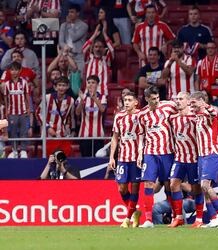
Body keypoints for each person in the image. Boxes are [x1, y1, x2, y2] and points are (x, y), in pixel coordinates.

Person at [137, 86, 177, 228]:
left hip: (167, 152)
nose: (156, 101)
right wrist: (140, 152)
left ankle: (175, 216)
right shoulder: (142, 114)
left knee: (168, 185)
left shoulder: (169, 106)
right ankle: (148, 220)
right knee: (148, 183)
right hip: (150, 153)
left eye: (158, 98)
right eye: (153, 99)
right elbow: (141, 134)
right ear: (147, 99)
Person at [189, 91, 218, 228]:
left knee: (205, 185)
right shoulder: (197, 116)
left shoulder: (209, 114)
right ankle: (214, 218)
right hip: (201, 156)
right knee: (204, 188)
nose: (191, 105)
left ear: (200, 101)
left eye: (193, 102)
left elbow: (214, 113)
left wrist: (205, 104)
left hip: (211, 153)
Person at [168, 92, 204, 228]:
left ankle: (199, 219)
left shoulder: (195, 118)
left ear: (188, 101)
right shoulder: (173, 118)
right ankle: (179, 218)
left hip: (193, 159)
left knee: (196, 190)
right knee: (173, 185)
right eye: (176, 99)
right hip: (179, 158)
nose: (178, 101)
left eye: (181, 99)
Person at [109, 91, 142, 228]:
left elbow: (143, 136)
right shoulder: (119, 116)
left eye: (129, 100)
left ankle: (128, 218)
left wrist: (141, 154)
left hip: (136, 158)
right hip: (122, 158)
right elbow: (115, 137)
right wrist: (112, 157)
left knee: (134, 188)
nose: (126, 102)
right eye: (125, 100)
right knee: (122, 188)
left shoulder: (140, 116)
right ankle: (135, 213)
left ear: (136, 102)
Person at [3, 62, 31, 158]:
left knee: (24, 131)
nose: (14, 72)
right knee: (13, 132)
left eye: (16, 70)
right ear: (9, 71)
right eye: (12, 70)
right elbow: (6, 98)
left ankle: (23, 150)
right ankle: (14, 150)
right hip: (12, 112)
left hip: (23, 111)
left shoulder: (24, 82)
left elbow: (27, 96)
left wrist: (28, 108)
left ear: (20, 71)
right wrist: (7, 110)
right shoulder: (7, 84)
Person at [75, 75, 107, 157]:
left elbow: (103, 110)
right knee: (85, 159)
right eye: (88, 82)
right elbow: (77, 113)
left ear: (97, 85)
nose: (90, 84)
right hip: (84, 135)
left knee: (98, 159)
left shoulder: (102, 97)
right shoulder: (81, 97)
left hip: (98, 135)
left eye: (93, 82)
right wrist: (82, 100)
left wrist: (95, 99)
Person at [82, 24, 114, 96]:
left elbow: (111, 49)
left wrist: (104, 33)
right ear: (93, 48)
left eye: (100, 47)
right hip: (88, 91)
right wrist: (94, 34)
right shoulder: (89, 58)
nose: (98, 49)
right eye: (96, 47)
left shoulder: (106, 59)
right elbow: (84, 49)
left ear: (104, 48)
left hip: (102, 92)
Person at [58, 3, 88, 74]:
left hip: (78, 56)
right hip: (66, 55)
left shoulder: (83, 26)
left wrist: (69, 25)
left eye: (72, 12)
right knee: (66, 78)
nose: (69, 14)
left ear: (77, 13)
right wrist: (65, 47)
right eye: (69, 12)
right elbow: (60, 41)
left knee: (78, 77)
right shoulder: (63, 25)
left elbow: (74, 37)